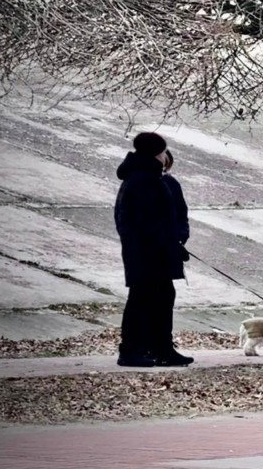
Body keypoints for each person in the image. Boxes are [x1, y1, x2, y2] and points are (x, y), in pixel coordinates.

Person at [114, 132, 194, 367]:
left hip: (153, 253)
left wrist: (175, 242)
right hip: (147, 255)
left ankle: (160, 347)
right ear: (157, 154)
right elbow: (149, 223)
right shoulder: (143, 180)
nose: (164, 156)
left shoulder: (147, 178)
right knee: (142, 299)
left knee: (161, 297)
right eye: (162, 152)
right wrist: (167, 245)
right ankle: (132, 350)